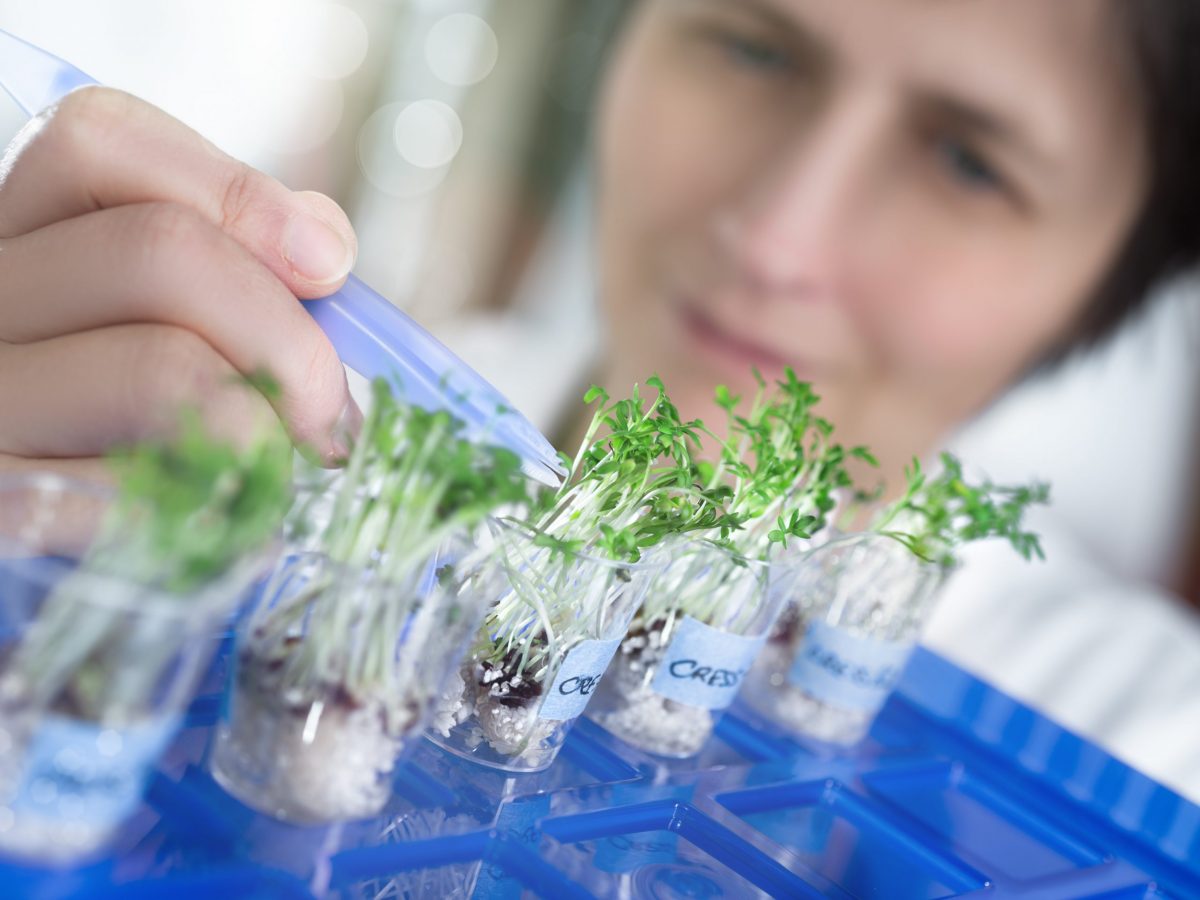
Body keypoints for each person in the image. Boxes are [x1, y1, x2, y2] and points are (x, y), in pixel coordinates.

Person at [1, 1, 1197, 788]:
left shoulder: (1151, 740)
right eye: (753, 44)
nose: (775, 236)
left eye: (968, 160)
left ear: (1120, 277)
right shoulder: (282, 391)